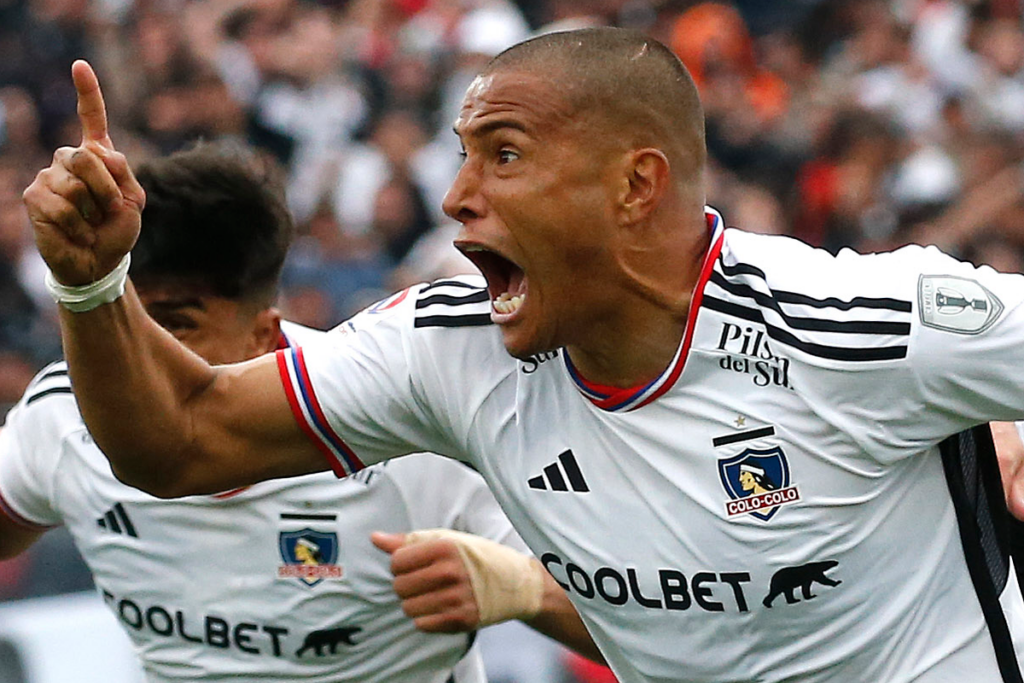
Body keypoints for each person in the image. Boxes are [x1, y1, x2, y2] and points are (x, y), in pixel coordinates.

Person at [22, 27, 1024, 682]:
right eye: (459, 154)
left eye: (501, 154)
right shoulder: (449, 351)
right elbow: (181, 442)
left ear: (636, 184)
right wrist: (88, 283)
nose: (456, 197)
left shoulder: (858, 324)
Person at [5, 141, 596, 682]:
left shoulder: (402, 421)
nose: (143, 354)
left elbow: (646, 611)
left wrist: (523, 589)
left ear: (265, 334)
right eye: (127, 320)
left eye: (178, 325)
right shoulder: (64, 416)